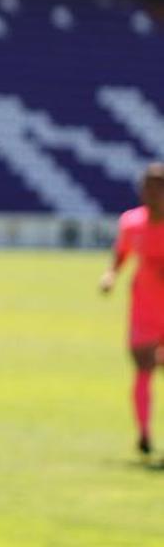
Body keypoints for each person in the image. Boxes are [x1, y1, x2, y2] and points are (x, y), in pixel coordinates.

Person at [100, 162, 164, 458]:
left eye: (158, 186)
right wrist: (111, 274)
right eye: (148, 186)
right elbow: (122, 252)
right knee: (142, 369)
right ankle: (144, 433)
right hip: (145, 310)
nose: (152, 192)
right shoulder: (131, 222)